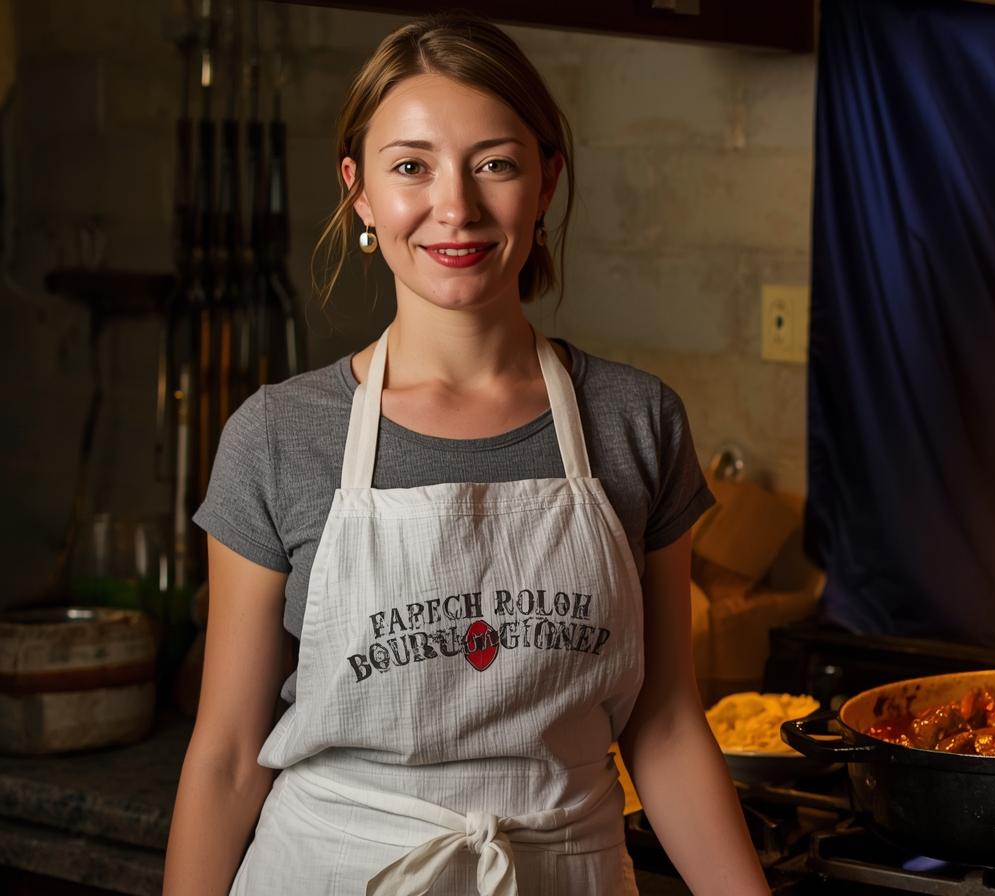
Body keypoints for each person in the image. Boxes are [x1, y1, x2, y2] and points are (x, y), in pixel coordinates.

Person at [164, 14, 769, 895]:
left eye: (495, 162)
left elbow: (667, 722)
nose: (456, 206)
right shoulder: (278, 436)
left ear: (546, 178)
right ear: (360, 192)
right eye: (411, 166)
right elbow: (224, 755)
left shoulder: (636, 420)